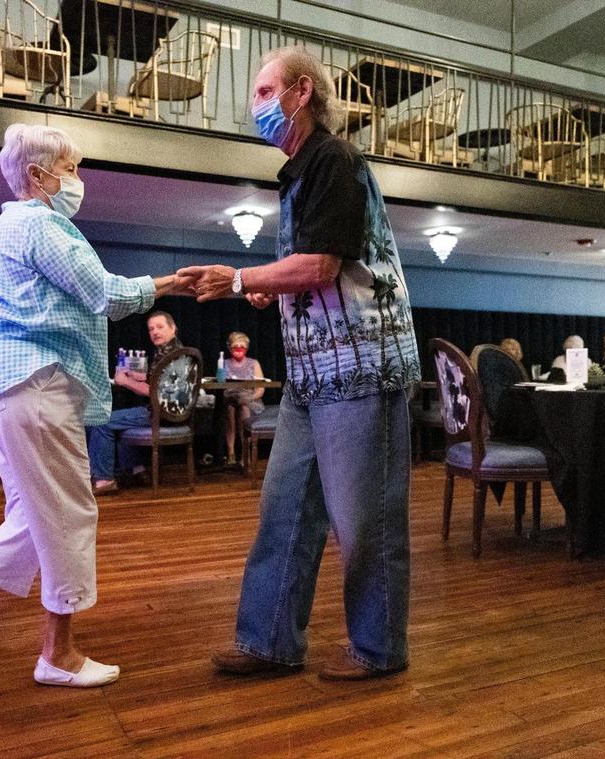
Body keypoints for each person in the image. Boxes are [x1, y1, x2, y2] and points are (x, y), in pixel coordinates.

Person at [177, 45, 420, 681]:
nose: (256, 106)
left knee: (366, 522)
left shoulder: (335, 159)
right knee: (284, 509)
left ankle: (378, 649)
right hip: (314, 377)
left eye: (264, 93)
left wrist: (239, 279)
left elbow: (322, 265)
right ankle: (269, 642)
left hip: (362, 372)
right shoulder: (301, 172)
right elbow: (310, 271)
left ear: (301, 92)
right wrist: (265, 285)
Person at [0, 123, 182, 692]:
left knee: (30, 519)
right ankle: (57, 653)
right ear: (38, 176)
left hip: (4, 385)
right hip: (33, 385)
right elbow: (107, 296)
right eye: (71, 169)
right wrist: (173, 282)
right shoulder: (39, 222)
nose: (77, 181)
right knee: (68, 515)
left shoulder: (10, 228)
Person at [86, 310, 181, 495]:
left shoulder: (170, 356)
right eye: (151, 329)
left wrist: (126, 382)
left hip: (161, 413)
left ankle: (104, 480)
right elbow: (160, 380)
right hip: (170, 411)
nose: (155, 332)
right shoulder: (174, 352)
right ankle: (136, 470)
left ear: (173, 328)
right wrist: (138, 376)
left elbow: (157, 393)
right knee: (119, 420)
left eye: (160, 327)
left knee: (102, 420)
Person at [222, 331, 266, 465]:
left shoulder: (254, 363)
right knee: (229, 409)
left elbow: (260, 389)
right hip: (231, 398)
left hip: (250, 400)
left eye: (242, 346)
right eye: (236, 346)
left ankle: (245, 453)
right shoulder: (225, 363)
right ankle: (231, 453)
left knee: (244, 409)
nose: (239, 349)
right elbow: (222, 386)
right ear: (230, 348)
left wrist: (248, 398)